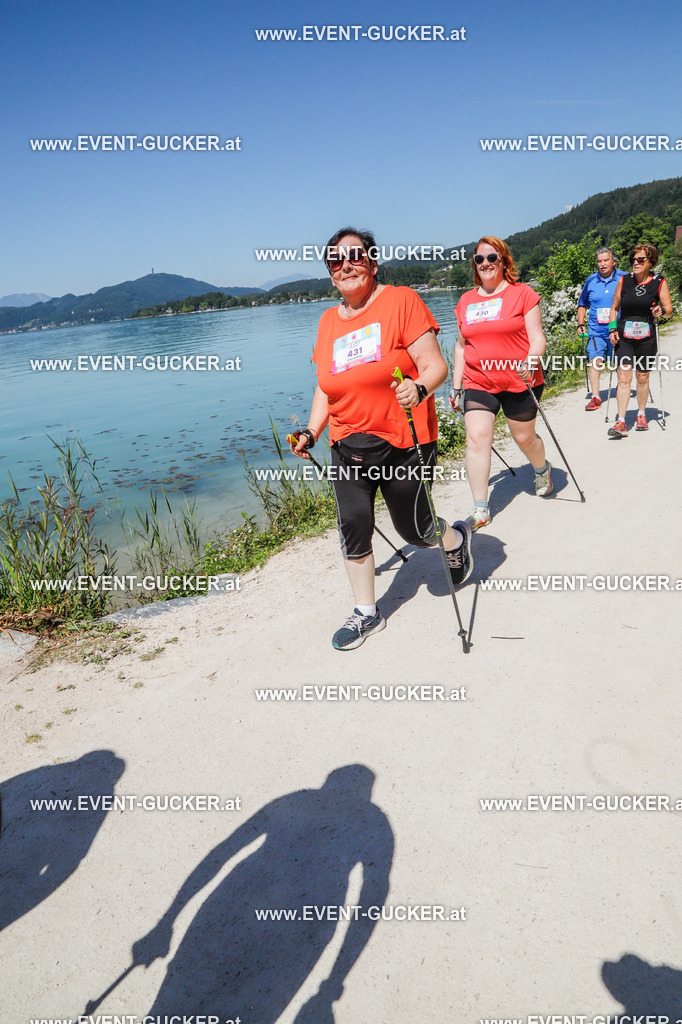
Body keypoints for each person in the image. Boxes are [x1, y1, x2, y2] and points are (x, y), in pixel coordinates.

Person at [290, 227, 472, 651]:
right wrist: (312, 431)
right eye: (336, 260)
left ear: (372, 262)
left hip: (405, 440)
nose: (346, 264)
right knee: (354, 526)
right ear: (330, 274)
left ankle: (456, 539)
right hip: (347, 444)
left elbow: (436, 367)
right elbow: (324, 386)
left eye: (355, 255)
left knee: (417, 530)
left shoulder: (401, 301)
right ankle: (366, 614)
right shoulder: (327, 321)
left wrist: (420, 389)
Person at [451, 236, 551, 531]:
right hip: (479, 381)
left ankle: (541, 469)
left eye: (491, 258)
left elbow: (537, 339)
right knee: (478, 438)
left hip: (519, 379)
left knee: (524, 439)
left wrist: (530, 362)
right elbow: (460, 346)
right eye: (479, 259)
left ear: (504, 261)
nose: (485, 264)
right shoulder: (466, 301)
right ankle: (480, 508)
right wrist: (456, 387)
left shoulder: (523, 294)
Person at [606, 243, 673, 438]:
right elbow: (614, 308)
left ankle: (642, 414)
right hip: (624, 336)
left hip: (646, 336)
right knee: (624, 378)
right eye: (633, 259)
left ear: (650, 262)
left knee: (642, 377)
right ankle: (620, 421)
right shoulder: (623, 280)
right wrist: (612, 329)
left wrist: (661, 311)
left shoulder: (659, 282)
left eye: (640, 259)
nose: (635, 262)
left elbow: (669, 310)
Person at [577, 247, 625, 410]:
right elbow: (582, 304)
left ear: (613, 262)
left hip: (618, 329)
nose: (603, 264)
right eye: (599, 261)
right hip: (597, 330)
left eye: (606, 260)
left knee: (620, 361)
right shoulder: (591, 281)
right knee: (594, 361)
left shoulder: (624, 278)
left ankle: (621, 388)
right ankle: (596, 397)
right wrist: (581, 324)